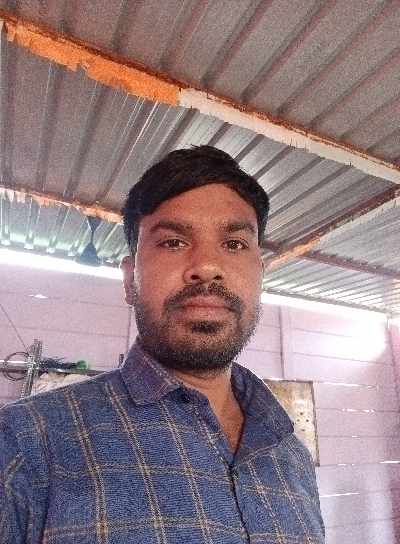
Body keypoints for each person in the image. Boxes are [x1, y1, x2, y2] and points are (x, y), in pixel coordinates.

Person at [0, 146, 325, 543]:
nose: (207, 267)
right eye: (173, 242)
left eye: (234, 244)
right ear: (129, 279)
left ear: (260, 274)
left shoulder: (291, 455)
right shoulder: (22, 444)